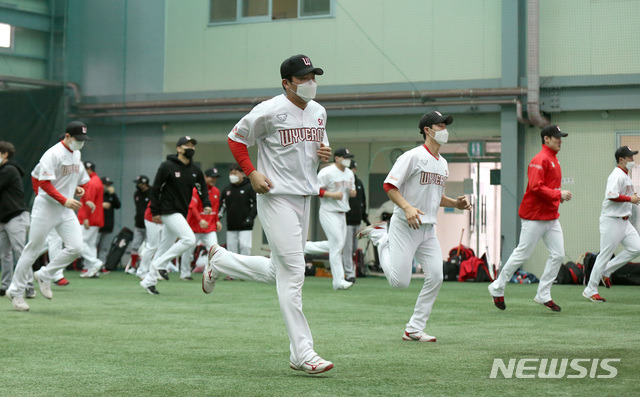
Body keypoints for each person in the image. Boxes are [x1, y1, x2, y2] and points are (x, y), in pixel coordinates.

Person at [203, 54, 334, 374]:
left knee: (280, 271)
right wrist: (250, 172)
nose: (310, 82)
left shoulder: (319, 112)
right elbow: (235, 139)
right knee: (294, 273)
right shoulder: (269, 110)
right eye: (303, 78)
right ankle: (303, 352)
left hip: (305, 198)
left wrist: (325, 153)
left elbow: (320, 146)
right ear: (286, 83)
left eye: (313, 76)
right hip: (275, 197)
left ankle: (220, 260)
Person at [357, 111, 471, 342]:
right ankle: (381, 237)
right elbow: (389, 185)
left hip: (428, 229)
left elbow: (435, 196)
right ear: (427, 130)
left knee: (436, 277)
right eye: (440, 125)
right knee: (400, 282)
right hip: (405, 224)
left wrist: (455, 203)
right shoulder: (412, 156)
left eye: (445, 125)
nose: (445, 129)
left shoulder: (443, 163)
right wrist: (407, 208)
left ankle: (414, 329)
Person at [6, 121, 90, 311]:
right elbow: (42, 182)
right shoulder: (52, 154)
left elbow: (60, 178)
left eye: (84, 139)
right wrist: (62, 199)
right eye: (78, 139)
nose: (81, 143)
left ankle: (45, 274)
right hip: (47, 208)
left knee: (76, 247)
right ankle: (16, 291)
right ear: (67, 136)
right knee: (33, 248)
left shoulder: (76, 153)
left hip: (65, 208)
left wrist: (73, 189)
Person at [488, 124, 571, 312]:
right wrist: (558, 195)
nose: (560, 140)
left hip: (550, 217)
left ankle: (543, 294)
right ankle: (497, 287)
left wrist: (557, 197)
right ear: (546, 139)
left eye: (560, 137)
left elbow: (547, 188)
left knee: (558, 254)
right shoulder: (540, 159)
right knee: (522, 254)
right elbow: (535, 187)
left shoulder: (554, 160)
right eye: (556, 137)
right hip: (534, 217)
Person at [139, 136, 211, 294]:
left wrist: (206, 203)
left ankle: (149, 281)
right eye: (187, 145)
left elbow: (202, 188)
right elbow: (155, 189)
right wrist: (156, 211)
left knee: (164, 247)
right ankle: (158, 264)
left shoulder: (195, 170)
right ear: (178, 148)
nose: (190, 148)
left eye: (193, 145)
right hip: (167, 210)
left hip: (181, 212)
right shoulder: (167, 166)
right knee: (189, 239)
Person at [582, 146, 640, 302]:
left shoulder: (625, 175)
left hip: (624, 221)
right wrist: (630, 199)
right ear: (621, 159)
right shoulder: (616, 175)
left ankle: (607, 271)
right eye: (630, 157)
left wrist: (630, 197)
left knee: (637, 248)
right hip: (611, 220)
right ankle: (590, 290)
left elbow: (622, 195)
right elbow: (611, 195)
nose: (632, 160)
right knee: (605, 255)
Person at [303, 148, 356, 290]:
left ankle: (302, 247)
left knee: (336, 245)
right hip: (328, 211)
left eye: (348, 157)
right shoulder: (327, 172)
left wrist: (352, 193)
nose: (347, 159)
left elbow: (353, 191)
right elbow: (315, 189)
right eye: (345, 157)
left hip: (343, 212)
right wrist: (330, 195)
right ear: (337, 158)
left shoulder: (350, 173)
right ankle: (338, 281)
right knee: (337, 245)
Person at [180, 167, 222, 280]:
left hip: (209, 227)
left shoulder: (216, 191)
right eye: (211, 177)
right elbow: (192, 207)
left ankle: (211, 273)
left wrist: (217, 220)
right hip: (194, 227)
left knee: (215, 251)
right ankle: (185, 274)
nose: (214, 179)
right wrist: (200, 220)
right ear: (205, 177)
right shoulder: (196, 190)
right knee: (188, 250)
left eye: (216, 177)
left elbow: (216, 208)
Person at [0, 141, 30, 297]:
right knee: (3, 253)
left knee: (21, 252)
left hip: (16, 216)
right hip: (4, 218)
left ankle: (29, 287)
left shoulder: (9, 170)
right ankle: (6, 286)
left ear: (5, 154)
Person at [219, 164, 257, 255]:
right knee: (231, 250)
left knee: (245, 246)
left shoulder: (249, 187)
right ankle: (233, 268)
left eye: (235, 173)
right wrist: (218, 218)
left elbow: (256, 204)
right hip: (231, 225)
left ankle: (245, 267)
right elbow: (222, 205)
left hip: (245, 225)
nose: (232, 175)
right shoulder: (227, 189)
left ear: (242, 174)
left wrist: (250, 218)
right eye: (231, 173)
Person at [343, 160, 369, 282]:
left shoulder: (359, 183)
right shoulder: (345, 183)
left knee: (353, 248)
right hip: (346, 221)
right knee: (347, 249)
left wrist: (365, 217)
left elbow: (363, 202)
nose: (352, 171)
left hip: (357, 221)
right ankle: (349, 274)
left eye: (354, 169)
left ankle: (349, 270)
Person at [78, 161, 105, 278]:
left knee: (80, 242)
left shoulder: (92, 182)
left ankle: (95, 263)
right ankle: (92, 270)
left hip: (90, 218)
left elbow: (89, 202)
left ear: (88, 170)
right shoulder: (96, 180)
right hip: (96, 218)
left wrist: (86, 218)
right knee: (91, 244)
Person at [127, 175, 151, 271]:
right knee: (135, 245)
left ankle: (145, 266)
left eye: (139, 183)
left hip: (149, 224)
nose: (138, 185)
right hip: (138, 223)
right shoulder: (137, 193)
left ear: (144, 183)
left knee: (148, 246)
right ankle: (133, 266)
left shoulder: (152, 192)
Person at [97, 176, 121, 264]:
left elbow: (118, 205)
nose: (107, 187)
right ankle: (89, 266)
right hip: (97, 225)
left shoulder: (111, 195)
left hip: (108, 225)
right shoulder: (97, 194)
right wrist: (101, 205)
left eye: (109, 185)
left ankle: (101, 265)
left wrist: (113, 194)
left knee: (105, 247)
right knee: (93, 246)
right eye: (105, 185)